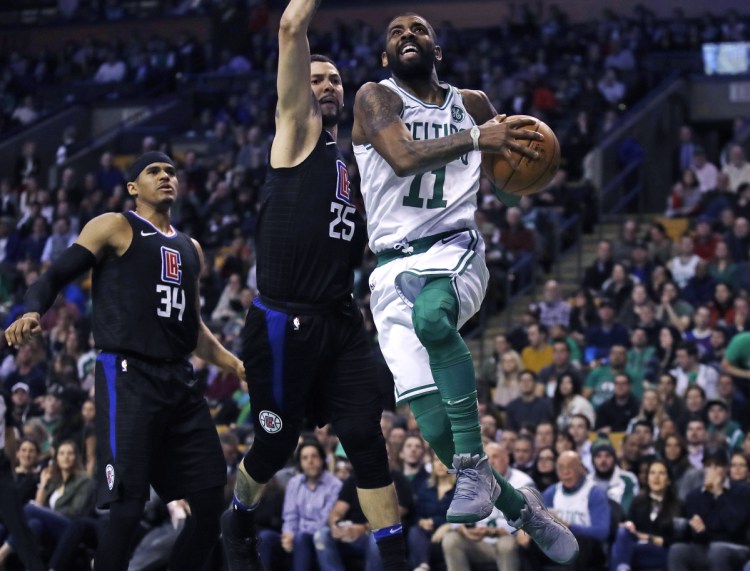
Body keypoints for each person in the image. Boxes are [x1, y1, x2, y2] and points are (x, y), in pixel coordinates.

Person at [351, 11, 577, 565]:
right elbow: (402, 156)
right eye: (397, 32)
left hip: (454, 251)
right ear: (385, 57)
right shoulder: (374, 98)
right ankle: (523, 510)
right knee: (432, 428)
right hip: (387, 271)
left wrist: (525, 169)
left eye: (420, 30)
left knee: (434, 317)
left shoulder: (472, 103)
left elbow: (507, 188)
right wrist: (481, 138)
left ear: (438, 49)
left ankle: (474, 470)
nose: (408, 35)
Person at [220, 2, 408, 570]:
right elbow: (289, 25)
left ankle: (396, 562)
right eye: (318, 78)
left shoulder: (348, 163)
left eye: (336, 81)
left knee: (365, 438)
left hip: (339, 321)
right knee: (275, 445)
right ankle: (239, 515)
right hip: (282, 323)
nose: (328, 86)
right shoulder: (296, 132)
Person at [4, 150, 243, 571]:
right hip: (128, 375)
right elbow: (55, 274)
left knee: (210, 506)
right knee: (128, 508)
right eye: (154, 171)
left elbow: (194, 329)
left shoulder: (192, 248)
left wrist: (234, 363)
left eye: (171, 171)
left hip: (180, 382)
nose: (166, 176)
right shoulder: (115, 225)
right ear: (133, 187)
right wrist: (30, 310)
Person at [610, 459, 682, 571]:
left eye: (661, 473)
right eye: (652, 473)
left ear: (668, 480)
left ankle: (622, 566)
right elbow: (629, 527)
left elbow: (677, 542)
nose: (656, 477)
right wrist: (628, 526)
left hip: (662, 552)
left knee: (619, 551)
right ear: (647, 478)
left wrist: (649, 538)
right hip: (638, 548)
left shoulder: (678, 505)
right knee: (623, 533)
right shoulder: (638, 501)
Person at [0, 391, 44, 571]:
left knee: (18, 524)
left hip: (1, 468)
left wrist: (11, 466)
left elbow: (9, 431)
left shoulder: (2, 397)